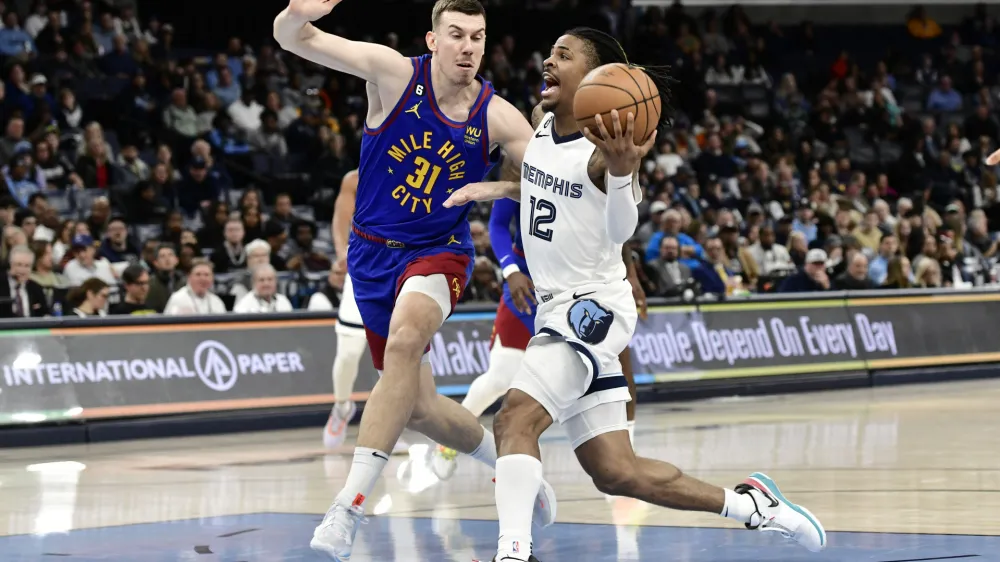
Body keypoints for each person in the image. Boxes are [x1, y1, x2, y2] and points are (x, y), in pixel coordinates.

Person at [444, 27, 826, 561]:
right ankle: (753, 506)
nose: (548, 62)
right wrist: (498, 188)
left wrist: (624, 174)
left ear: (598, 77)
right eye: (550, 53)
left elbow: (621, 227)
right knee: (617, 473)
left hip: (590, 306)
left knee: (513, 418)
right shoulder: (542, 123)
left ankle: (513, 552)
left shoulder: (608, 151)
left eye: (563, 55)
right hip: (559, 306)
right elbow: (550, 186)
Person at [272, 1, 556, 559]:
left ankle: (348, 507)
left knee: (405, 341)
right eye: (456, 35)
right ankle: (516, 472)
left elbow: (555, 185)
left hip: (438, 253)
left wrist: (495, 189)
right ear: (432, 40)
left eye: (477, 36)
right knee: (421, 407)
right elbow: (292, 39)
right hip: (371, 255)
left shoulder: (498, 117)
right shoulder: (393, 73)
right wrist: (293, 11)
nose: (468, 46)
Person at [428, 196, 648, 480]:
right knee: (501, 378)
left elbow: (617, 230)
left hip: (578, 286)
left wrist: (632, 276)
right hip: (529, 284)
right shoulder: (522, 161)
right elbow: (497, 224)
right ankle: (451, 441)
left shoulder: (593, 165)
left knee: (610, 367)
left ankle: (624, 446)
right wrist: (510, 271)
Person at [314, 170, 409, 453]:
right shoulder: (355, 178)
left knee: (396, 356)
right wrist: (343, 254)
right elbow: (341, 219)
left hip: (404, 266)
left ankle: (390, 428)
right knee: (349, 353)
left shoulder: (420, 171)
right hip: (365, 265)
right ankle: (342, 407)